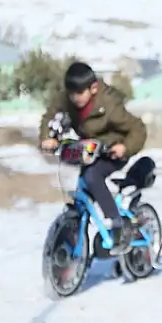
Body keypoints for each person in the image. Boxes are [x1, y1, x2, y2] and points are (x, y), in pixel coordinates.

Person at [39, 61, 148, 236]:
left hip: (112, 151)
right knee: (75, 176)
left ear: (94, 88)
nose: (75, 98)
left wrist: (125, 147)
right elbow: (50, 117)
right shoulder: (66, 99)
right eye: (71, 93)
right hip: (89, 149)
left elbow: (138, 128)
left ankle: (115, 221)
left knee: (92, 176)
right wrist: (47, 138)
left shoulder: (110, 105)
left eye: (80, 93)